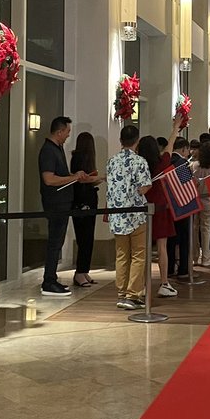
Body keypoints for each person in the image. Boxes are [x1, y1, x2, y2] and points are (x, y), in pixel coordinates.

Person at [38, 116, 90, 297]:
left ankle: (51, 277)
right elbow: (49, 179)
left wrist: (75, 176)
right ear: (59, 132)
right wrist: (73, 177)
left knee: (57, 241)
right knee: (54, 242)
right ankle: (48, 281)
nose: (68, 136)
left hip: (63, 203)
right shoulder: (48, 151)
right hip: (55, 203)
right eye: (67, 132)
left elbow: (61, 175)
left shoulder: (58, 149)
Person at [104, 124, 152, 310]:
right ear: (137, 140)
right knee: (139, 254)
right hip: (136, 215)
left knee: (122, 254)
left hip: (117, 215)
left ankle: (121, 293)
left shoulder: (111, 161)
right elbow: (144, 186)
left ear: (121, 140)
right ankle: (133, 294)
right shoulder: (140, 162)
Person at [138, 126, 180, 298]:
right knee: (162, 247)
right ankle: (164, 282)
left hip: (141, 209)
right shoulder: (161, 163)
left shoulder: (139, 165)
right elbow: (170, 146)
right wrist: (176, 127)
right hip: (161, 209)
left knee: (142, 248)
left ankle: (141, 284)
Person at [69, 132, 102, 288]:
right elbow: (81, 179)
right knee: (84, 238)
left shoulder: (81, 159)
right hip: (82, 201)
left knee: (89, 237)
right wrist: (98, 178)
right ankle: (79, 272)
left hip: (88, 198)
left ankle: (84, 270)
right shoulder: (79, 158)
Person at [166, 137, 193, 280]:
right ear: (183, 149)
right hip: (182, 205)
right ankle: (183, 269)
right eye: (188, 150)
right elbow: (186, 183)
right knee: (183, 238)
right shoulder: (182, 163)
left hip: (168, 206)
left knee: (170, 238)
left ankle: (169, 268)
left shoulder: (166, 160)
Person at [192, 139, 210, 268]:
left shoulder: (195, 166)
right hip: (208, 200)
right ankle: (206, 257)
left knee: (194, 228)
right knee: (206, 229)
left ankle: (194, 256)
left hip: (195, 199)